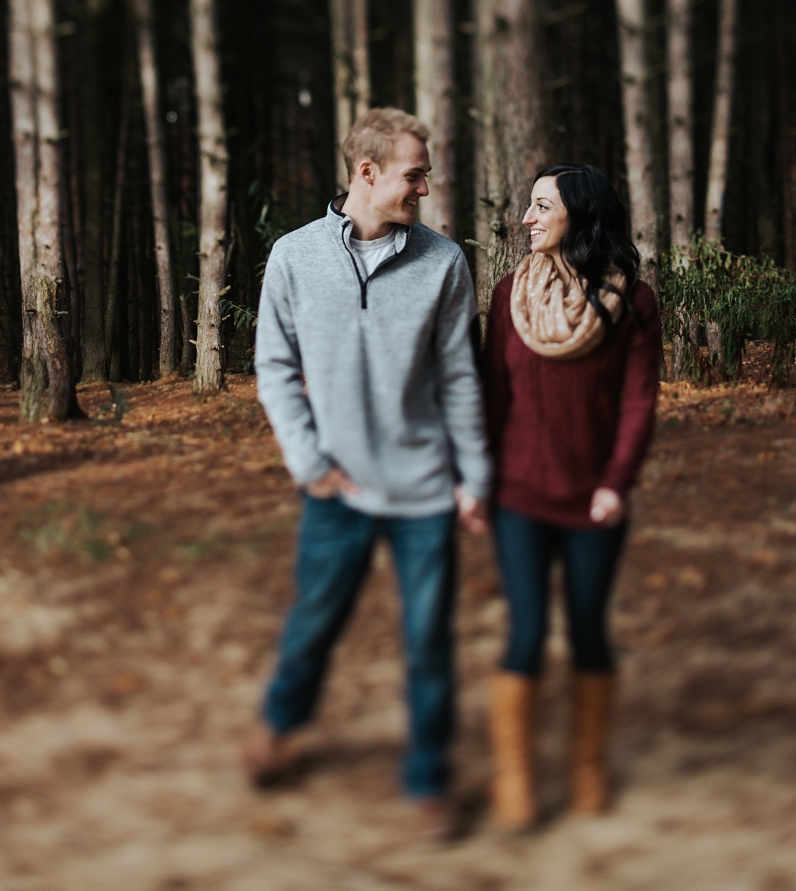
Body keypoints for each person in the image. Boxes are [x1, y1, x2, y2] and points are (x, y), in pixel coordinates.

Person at [245, 108, 490, 839]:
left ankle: (426, 782)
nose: (425, 185)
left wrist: (473, 474)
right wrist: (309, 463)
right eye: (415, 173)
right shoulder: (293, 257)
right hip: (338, 490)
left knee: (429, 642)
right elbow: (274, 368)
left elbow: (459, 380)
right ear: (367, 172)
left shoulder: (443, 262)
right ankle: (281, 727)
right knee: (313, 622)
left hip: (422, 492)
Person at [482, 164, 662, 831]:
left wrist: (616, 484)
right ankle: (515, 775)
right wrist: (481, 486)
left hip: (594, 505)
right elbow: (491, 399)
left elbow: (638, 402)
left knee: (588, 633)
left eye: (540, 206)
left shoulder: (632, 304)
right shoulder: (508, 298)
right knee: (525, 634)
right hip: (519, 499)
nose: (526, 217)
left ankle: (588, 766)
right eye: (527, 206)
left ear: (578, 215)